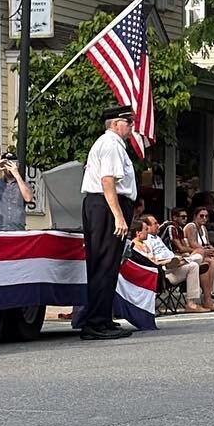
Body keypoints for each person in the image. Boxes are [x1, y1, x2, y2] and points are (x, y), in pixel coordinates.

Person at [80, 105, 137, 341]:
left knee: (108, 264)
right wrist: (118, 215)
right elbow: (107, 181)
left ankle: (101, 317)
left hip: (103, 206)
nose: (132, 126)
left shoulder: (111, 144)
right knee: (104, 264)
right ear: (115, 124)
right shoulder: (111, 144)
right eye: (128, 122)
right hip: (106, 207)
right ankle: (95, 322)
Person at [130, 213, 209, 311]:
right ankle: (183, 261)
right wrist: (166, 261)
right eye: (155, 224)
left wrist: (178, 257)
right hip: (163, 272)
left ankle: (191, 304)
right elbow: (152, 262)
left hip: (172, 265)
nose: (158, 225)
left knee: (193, 265)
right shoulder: (140, 244)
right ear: (138, 232)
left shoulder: (155, 239)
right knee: (195, 260)